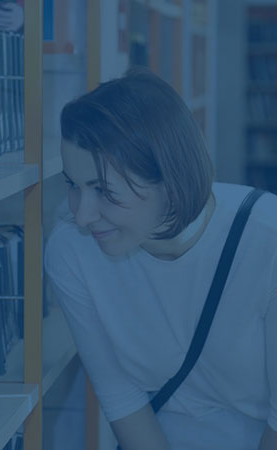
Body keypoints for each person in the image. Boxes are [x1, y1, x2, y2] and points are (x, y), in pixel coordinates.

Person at [44, 66, 277, 450]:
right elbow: (121, 397)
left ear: (169, 180)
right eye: (73, 185)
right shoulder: (72, 252)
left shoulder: (267, 240)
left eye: (103, 191)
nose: (82, 216)